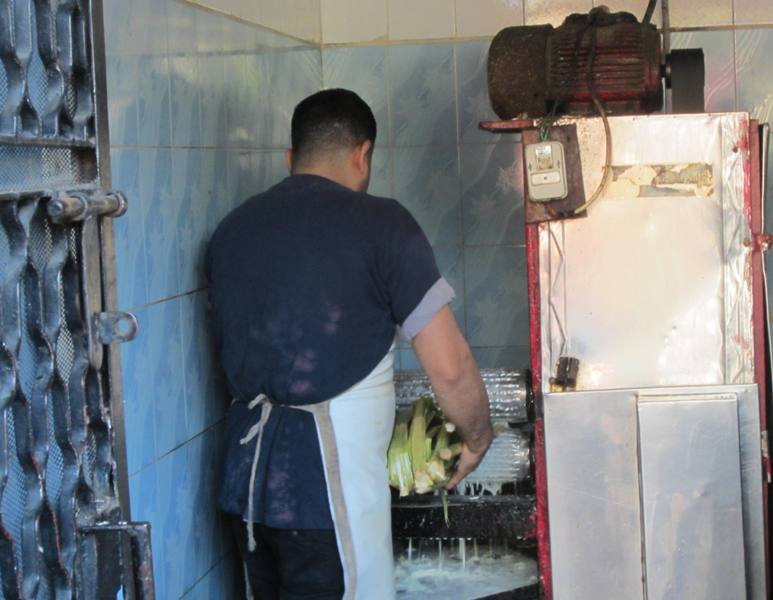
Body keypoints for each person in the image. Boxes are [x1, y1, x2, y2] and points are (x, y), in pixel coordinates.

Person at [206, 88, 493, 600]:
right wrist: (477, 436)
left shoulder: (232, 230)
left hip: (246, 492)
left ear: (291, 159)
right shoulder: (383, 225)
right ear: (363, 155)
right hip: (325, 496)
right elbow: (449, 368)